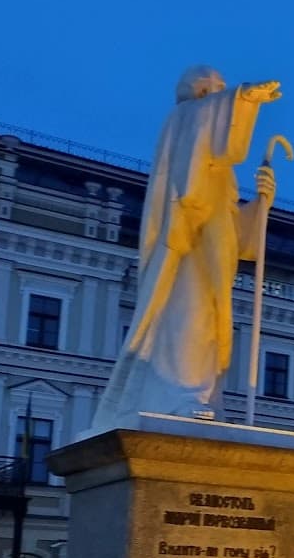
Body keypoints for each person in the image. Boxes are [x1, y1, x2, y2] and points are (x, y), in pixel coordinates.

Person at [90, 67, 281, 434]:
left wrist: (261, 203)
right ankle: (181, 395)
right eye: (212, 92)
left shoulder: (220, 172)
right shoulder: (182, 122)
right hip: (182, 246)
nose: (218, 99)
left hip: (211, 251)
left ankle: (198, 396)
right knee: (186, 315)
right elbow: (191, 184)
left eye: (222, 92)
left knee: (207, 322)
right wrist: (243, 96)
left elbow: (238, 235)